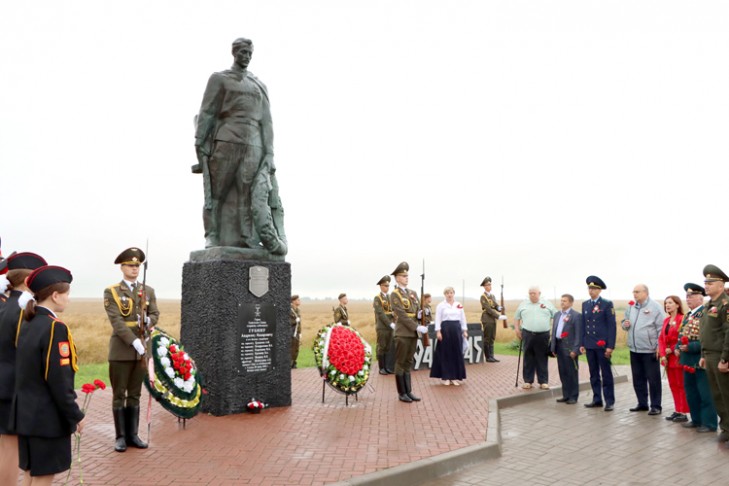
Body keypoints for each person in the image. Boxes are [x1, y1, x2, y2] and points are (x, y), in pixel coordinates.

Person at [194, 37, 286, 253]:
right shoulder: (219, 79)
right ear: (234, 52)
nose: (246, 56)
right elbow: (207, 112)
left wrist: (269, 153)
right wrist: (199, 142)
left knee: (246, 193)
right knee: (217, 194)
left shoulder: (258, 85)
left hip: (253, 145)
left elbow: (267, 122)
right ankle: (212, 236)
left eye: (249, 53)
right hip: (226, 140)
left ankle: (247, 237)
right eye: (243, 52)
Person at [11, 265, 85, 485]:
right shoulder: (55, 328)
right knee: (43, 477)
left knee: (30, 473)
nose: (68, 300)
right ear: (55, 295)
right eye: (67, 294)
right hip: (46, 418)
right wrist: (75, 415)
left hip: (25, 413)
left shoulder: (28, 321)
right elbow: (58, 380)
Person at [103, 247, 159, 452]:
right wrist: (133, 340)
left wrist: (148, 320)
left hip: (142, 351)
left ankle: (133, 435)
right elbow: (116, 321)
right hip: (122, 350)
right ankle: (120, 437)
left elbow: (155, 313)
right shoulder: (113, 292)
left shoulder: (148, 290)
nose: (135, 269)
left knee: (135, 394)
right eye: (130, 265)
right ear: (122, 267)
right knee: (119, 394)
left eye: (137, 266)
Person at [0, 252, 46, 486]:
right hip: (13, 387)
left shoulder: (5, 305)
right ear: (29, 280)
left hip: (3, 382)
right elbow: (26, 353)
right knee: (10, 449)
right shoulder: (23, 309)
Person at [678, 283, 717, 433]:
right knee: (691, 393)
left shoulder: (706, 313)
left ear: (701, 298)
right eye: (687, 296)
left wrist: (692, 347)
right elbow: (682, 334)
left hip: (700, 359)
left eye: (692, 296)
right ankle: (696, 420)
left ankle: (710, 424)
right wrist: (677, 348)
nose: (688, 299)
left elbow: (709, 338)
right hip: (687, 360)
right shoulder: (689, 315)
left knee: (705, 394)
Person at [621, 284, 665, 415]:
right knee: (638, 378)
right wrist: (625, 324)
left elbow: (661, 328)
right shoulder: (631, 306)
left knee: (653, 379)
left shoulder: (655, 307)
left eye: (637, 292)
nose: (634, 294)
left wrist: (658, 347)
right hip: (634, 349)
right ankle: (642, 403)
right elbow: (624, 323)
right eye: (633, 292)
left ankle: (656, 405)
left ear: (646, 293)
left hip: (650, 350)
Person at [698, 265, 729, 444]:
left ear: (720, 285)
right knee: (717, 394)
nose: (707, 286)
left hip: (720, 356)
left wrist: (725, 358)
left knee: (726, 394)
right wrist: (703, 354)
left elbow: (728, 333)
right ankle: (725, 427)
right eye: (706, 283)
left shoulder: (726, 305)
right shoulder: (709, 305)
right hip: (709, 355)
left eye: (710, 283)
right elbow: (706, 331)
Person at [390, 262, 429, 403]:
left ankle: (409, 391)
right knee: (400, 362)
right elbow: (401, 314)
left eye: (407, 275)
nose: (406, 278)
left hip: (412, 333)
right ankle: (402, 393)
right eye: (403, 276)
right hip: (403, 332)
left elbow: (415, 311)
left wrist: (420, 316)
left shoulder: (412, 293)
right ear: (397, 278)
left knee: (408, 362)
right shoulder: (395, 294)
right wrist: (416, 327)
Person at [580, 276, 617, 411]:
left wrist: (610, 346)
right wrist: (582, 343)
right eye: (590, 288)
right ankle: (597, 399)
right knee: (593, 374)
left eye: (594, 288)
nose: (591, 291)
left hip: (602, 345)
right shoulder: (585, 304)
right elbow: (584, 325)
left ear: (600, 290)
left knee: (606, 374)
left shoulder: (607, 304)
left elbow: (611, 326)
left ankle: (609, 401)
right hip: (590, 345)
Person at [514, 286, 556, 390]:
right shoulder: (523, 304)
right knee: (528, 357)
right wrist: (517, 329)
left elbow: (556, 316)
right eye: (530, 293)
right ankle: (528, 381)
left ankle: (543, 381)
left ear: (539, 293)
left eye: (534, 293)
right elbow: (516, 318)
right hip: (527, 334)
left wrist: (553, 330)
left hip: (543, 335)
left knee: (542, 358)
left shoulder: (547, 304)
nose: (532, 295)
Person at [658, 295, 689, 422]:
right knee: (673, 385)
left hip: (677, 356)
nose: (667, 305)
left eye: (670, 303)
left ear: (677, 304)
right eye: (666, 303)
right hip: (668, 358)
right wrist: (663, 354)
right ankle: (677, 409)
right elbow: (661, 338)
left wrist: (672, 348)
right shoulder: (666, 321)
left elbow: (683, 337)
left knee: (681, 384)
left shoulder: (682, 319)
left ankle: (683, 412)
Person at [430, 287, 468, 385]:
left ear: (454, 293)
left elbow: (462, 318)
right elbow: (437, 319)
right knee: (446, 353)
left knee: (456, 353)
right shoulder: (441, 305)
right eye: (447, 293)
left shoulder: (458, 305)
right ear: (445, 294)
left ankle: (455, 377)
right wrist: (438, 332)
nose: (449, 295)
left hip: (456, 330)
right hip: (445, 329)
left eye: (451, 293)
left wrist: (464, 330)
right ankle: (446, 377)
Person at [550, 294, 582, 404]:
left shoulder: (576, 316)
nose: (562, 302)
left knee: (571, 372)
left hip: (570, 348)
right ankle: (566, 395)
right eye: (561, 300)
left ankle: (573, 396)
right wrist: (553, 347)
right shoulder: (557, 315)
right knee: (562, 372)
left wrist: (575, 350)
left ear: (571, 303)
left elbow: (578, 334)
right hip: (559, 346)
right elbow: (554, 332)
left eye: (565, 301)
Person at [480, 277, 507, 363]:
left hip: (492, 319)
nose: (489, 286)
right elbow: (488, 309)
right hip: (487, 318)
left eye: (490, 284)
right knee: (487, 337)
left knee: (492, 337)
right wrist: (498, 316)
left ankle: (492, 356)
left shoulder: (492, 296)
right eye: (488, 285)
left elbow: (495, 306)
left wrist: (500, 307)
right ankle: (488, 357)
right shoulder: (483, 297)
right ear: (484, 286)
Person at [373, 276, 395, 375]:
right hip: (382, 326)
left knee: (388, 347)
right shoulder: (378, 298)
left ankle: (387, 367)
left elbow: (392, 310)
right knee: (382, 347)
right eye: (385, 286)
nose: (387, 287)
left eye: (388, 285)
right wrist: (390, 323)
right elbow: (380, 313)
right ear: (381, 286)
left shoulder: (390, 297)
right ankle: (381, 368)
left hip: (390, 327)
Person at [289, 295, 301, 369]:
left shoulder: (298, 310)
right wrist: (294, 321)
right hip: (291, 332)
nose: (299, 301)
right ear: (293, 301)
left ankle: (294, 362)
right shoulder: (289, 310)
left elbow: (299, 323)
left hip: (296, 332)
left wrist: (300, 332)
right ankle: (290, 363)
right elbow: (288, 321)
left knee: (296, 348)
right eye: (298, 300)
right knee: (291, 347)